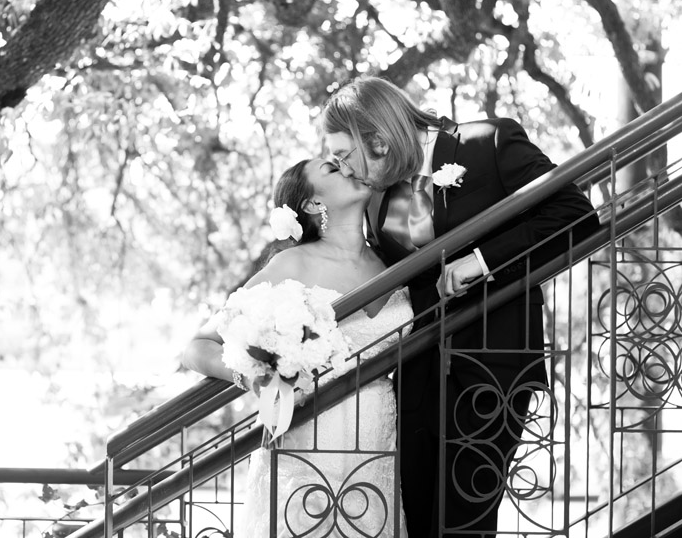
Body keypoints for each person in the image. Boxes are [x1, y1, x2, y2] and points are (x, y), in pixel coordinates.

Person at [320, 75, 598, 538]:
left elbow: (575, 215)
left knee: (466, 522)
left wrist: (483, 261)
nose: (346, 171)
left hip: (492, 368)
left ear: (378, 137)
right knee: (420, 519)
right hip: (417, 376)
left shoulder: (489, 141)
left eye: (346, 155)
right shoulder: (375, 201)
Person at [183, 158, 413, 538]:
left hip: (376, 450)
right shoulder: (292, 264)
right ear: (311, 204)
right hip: (306, 446)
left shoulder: (391, 258)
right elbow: (197, 345)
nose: (349, 167)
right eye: (332, 168)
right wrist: (252, 375)